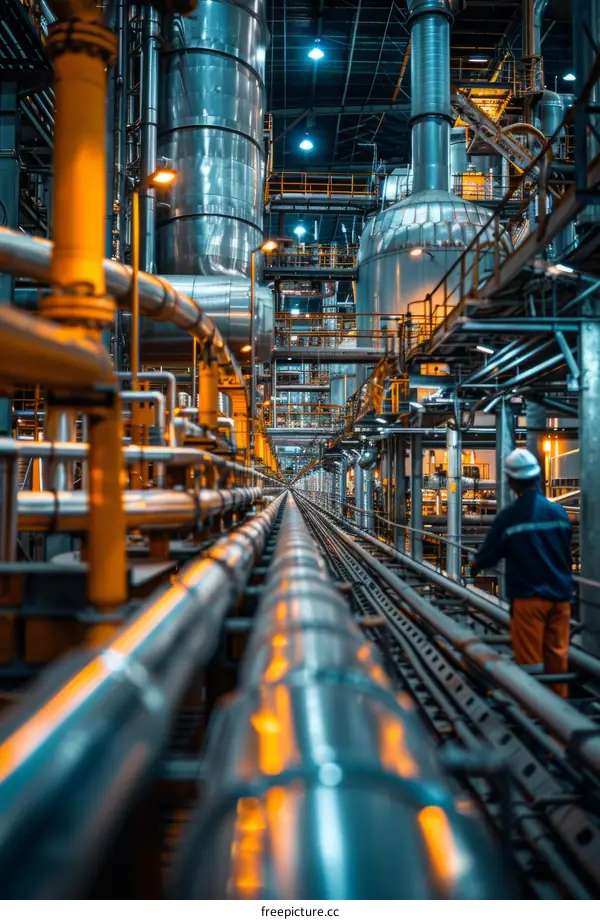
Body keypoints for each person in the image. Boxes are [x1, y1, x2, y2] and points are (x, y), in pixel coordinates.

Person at [471, 448, 573, 696]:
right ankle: (561, 716)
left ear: (510, 481)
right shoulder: (559, 513)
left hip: (530, 599)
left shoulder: (510, 517)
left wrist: (473, 567)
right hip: (561, 598)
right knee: (557, 659)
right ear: (538, 477)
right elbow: (567, 553)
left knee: (531, 661)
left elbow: (489, 554)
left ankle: (534, 716)